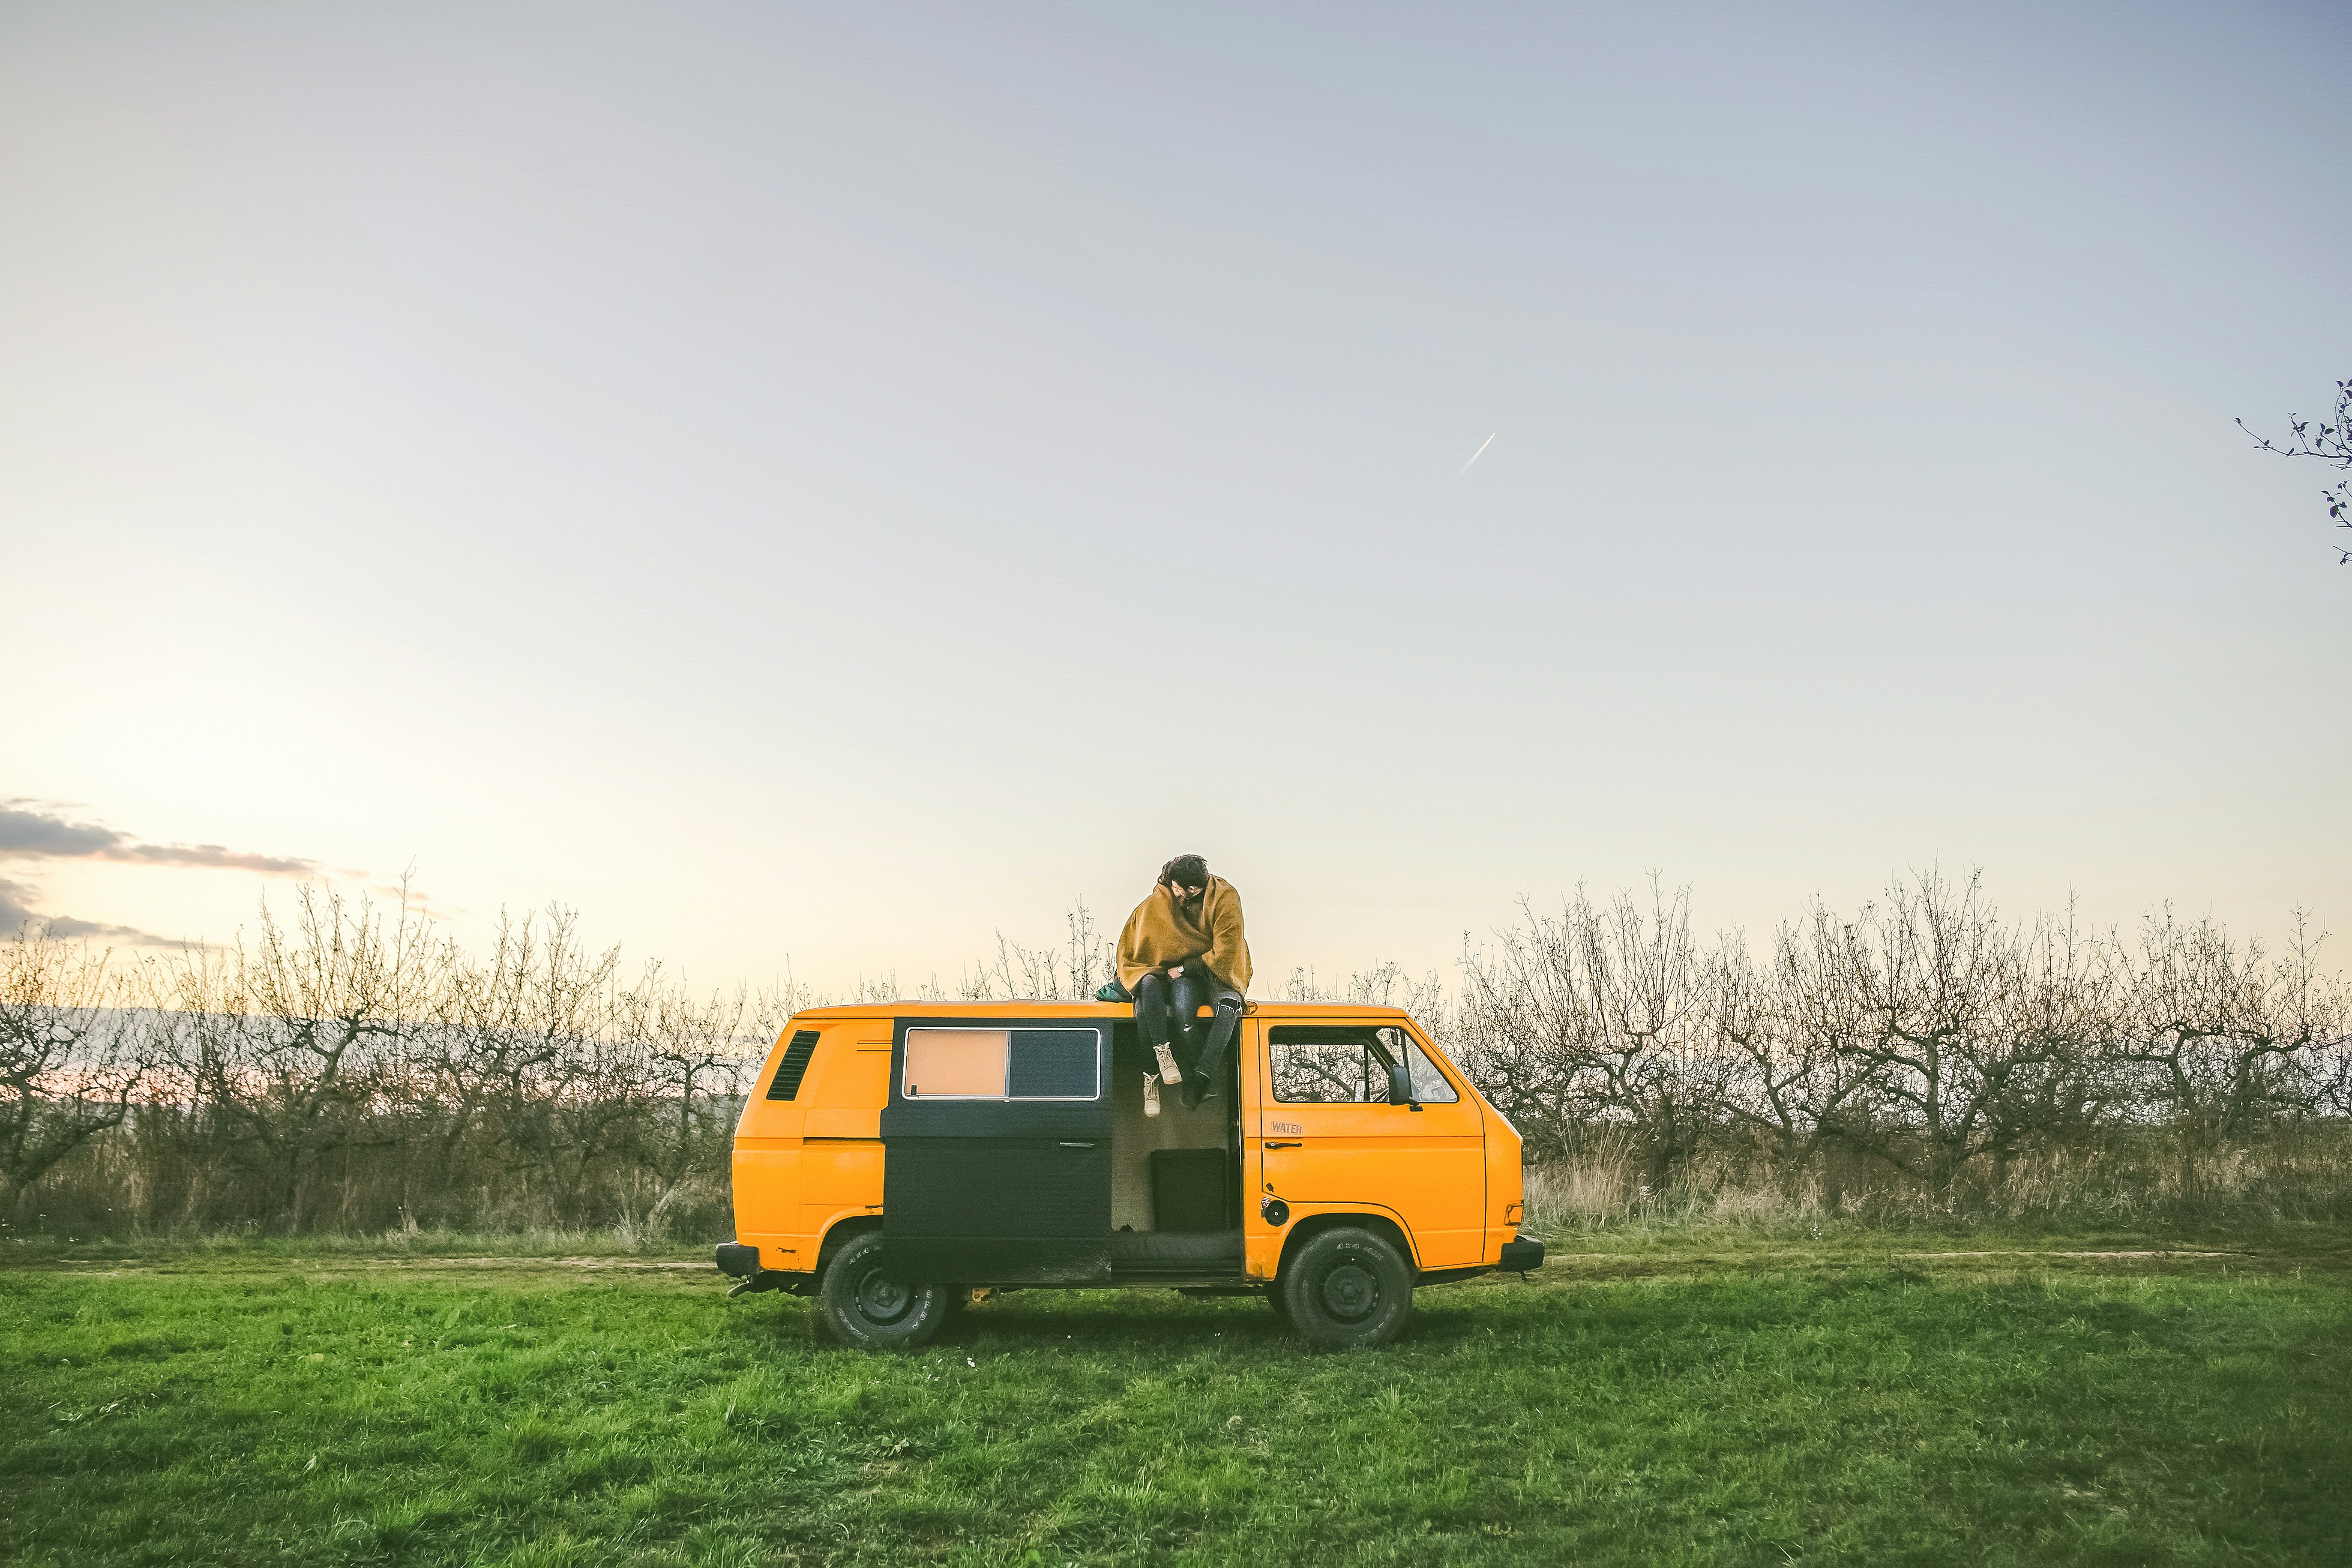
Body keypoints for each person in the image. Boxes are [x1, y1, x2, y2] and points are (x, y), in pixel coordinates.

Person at [1116, 854, 1251, 1114]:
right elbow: (1154, 934)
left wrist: (1182, 968)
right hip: (1185, 975)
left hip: (1219, 971)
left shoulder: (1226, 898)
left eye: (1184, 889)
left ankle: (1201, 1077)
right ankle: (1166, 1071)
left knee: (1229, 1008)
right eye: (1177, 887)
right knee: (1180, 1009)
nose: (1178, 893)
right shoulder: (1165, 895)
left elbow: (1225, 952)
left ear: (1196, 887)